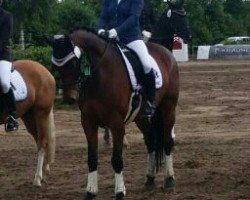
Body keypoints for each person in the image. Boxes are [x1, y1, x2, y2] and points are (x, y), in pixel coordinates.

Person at [97, 0, 158, 118]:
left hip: (132, 38)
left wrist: (117, 30)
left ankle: (150, 101)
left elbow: (134, 18)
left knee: (146, 64)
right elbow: (103, 17)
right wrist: (100, 29)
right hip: (111, 39)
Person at [0, 0, 18, 132]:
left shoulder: (6, 16)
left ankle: (12, 115)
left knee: (4, 83)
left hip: (2, 56)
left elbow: (3, 39)